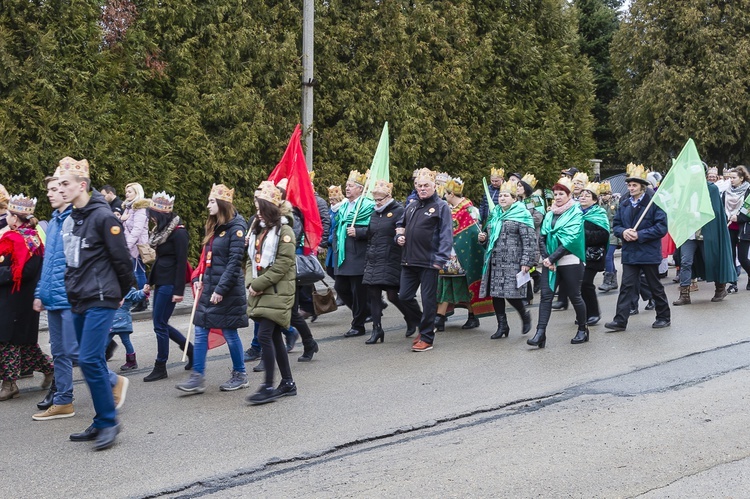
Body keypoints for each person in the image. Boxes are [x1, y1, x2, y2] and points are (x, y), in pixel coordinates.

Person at [57, 158, 132, 451]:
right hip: (79, 297)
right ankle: (102, 420)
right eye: (59, 184)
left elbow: (122, 259)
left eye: (66, 184)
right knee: (89, 360)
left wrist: (121, 292)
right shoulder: (73, 217)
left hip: (102, 297)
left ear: (82, 185)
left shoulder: (103, 217)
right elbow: (73, 260)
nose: (61, 189)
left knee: (89, 359)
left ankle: (110, 422)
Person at [177, 184, 249, 394]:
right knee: (200, 331)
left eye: (211, 201)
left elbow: (234, 263)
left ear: (222, 204)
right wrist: (198, 277)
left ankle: (240, 373)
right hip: (209, 288)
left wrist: (220, 289)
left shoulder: (236, 229)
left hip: (226, 291)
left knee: (229, 332)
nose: (207, 205)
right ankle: (197, 377)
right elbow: (206, 259)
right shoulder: (214, 227)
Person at [32, 164, 79, 418]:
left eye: (56, 188)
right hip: (54, 299)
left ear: (66, 190)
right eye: (50, 189)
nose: (50, 193)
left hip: (70, 298)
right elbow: (48, 265)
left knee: (76, 352)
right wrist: (40, 293)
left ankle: (112, 383)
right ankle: (63, 401)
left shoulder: (74, 219)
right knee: (59, 352)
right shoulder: (53, 222)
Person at [245, 181, 298, 404]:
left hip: (277, 290)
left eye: (260, 207)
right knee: (274, 336)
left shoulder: (284, 232)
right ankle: (287, 382)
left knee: (265, 335)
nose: (256, 211)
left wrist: (258, 285)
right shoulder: (259, 230)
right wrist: (250, 281)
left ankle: (268, 385)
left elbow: (283, 265)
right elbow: (249, 261)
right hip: (262, 289)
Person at [0, 194, 54, 401]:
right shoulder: (33, 237)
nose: (6, 218)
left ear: (15, 218)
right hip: (20, 296)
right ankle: (49, 368)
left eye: (9, 215)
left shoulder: (18, 238)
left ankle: (9, 384)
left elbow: (21, 271)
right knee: (24, 342)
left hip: (15, 298)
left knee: (8, 340)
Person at [604, 166, 671, 332]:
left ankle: (663, 316)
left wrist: (640, 235)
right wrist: (624, 232)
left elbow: (661, 228)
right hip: (630, 252)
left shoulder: (654, 203)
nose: (631, 188)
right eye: (629, 185)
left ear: (642, 186)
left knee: (654, 285)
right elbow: (617, 225)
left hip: (648, 252)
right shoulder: (624, 202)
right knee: (626, 287)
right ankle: (620, 320)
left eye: (634, 185)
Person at [396, 168, 453, 352]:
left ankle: (427, 337)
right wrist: (398, 238)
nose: (422, 188)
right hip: (409, 261)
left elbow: (446, 234)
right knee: (403, 296)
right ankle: (424, 324)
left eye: (426, 185)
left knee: (429, 301)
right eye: (419, 186)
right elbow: (400, 225)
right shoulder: (411, 205)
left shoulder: (441, 206)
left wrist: (440, 259)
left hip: (429, 262)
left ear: (434, 186)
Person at [527, 177, 588, 348]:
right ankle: (540, 333)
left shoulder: (576, 212)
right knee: (546, 296)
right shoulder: (550, 213)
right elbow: (543, 237)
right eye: (555, 194)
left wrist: (551, 258)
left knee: (575, 296)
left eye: (562, 193)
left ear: (569, 195)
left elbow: (571, 240)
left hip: (570, 260)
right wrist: (547, 258)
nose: (558, 197)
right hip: (551, 262)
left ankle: (583, 329)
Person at [144, 192, 193, 381]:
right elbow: (161, 259)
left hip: (171, 283)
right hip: (162, 282)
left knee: (159, 324)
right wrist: (150, 281)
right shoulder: (162, 233)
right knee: (161, 323)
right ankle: (191, 350)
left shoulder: (179, 233)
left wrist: (180, 291)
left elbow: (181, 262)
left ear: (162, 215)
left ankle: (161, 365)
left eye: (153, 216)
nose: (151, 220)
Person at [478, 181, 537, 339]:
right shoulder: (495, 213)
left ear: (514, 198)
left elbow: (529, 240)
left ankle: (524, 315)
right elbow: (490, 237)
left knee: (511, 294)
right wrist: (483, 239)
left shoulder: (522, 214)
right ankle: (502, 326)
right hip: (495, 261)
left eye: (506, 196)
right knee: (496, 294)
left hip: (513, 261)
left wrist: (526, 261)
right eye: (501, 196)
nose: (502, 198)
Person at [435, 177, 491, 331]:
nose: (445, 196)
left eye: (446, 194)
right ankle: (439, 317)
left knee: (465, 287)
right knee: (447, 284)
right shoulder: (449, 208)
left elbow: (473, 233)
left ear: (452, 194)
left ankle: (472, 316)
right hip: (449, 254)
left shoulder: (469, 210)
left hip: (463, 255)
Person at [362, 179, 414, 344]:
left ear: (388, 196)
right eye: (375, 200)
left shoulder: (398, 211)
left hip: (391, 258)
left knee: (393, 295)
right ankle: (377, 329)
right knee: (373, 294)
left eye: (380, 199)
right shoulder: (374, 212)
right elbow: (371, 234)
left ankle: (411, 317)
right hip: (374, 258)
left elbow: (402, 232)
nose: (377, 203)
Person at [673, 180, 737, 305]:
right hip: (688, 233)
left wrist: (696, 215)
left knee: (712, 261)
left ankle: (720, 289)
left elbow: (715, 212)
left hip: (706, 232)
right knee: (685, 261)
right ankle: (684, 294)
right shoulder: (684, 188)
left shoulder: (711, 189)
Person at [333, 170, 374, 338]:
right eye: (347, 186)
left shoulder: (367, 206)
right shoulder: (343, 206)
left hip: (358, 254)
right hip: (343, 253)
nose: (347, 188)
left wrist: (359, 232)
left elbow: (374, 228)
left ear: (360, 189)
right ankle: (366, 311)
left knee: (359, 292)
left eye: (350, 186)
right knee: (340, 287)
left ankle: (358, 325)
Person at [578, 182, 610, 325]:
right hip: (577, 254)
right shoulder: (574, 212)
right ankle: (583, 313)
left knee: (586, 282)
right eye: (581, 195)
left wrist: (583, 235)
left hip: (592, 255)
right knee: (577, 284)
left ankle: (594, 312)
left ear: (595, 200)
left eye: (587, 195)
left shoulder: (599, 214)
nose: (583, 197)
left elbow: (603, 235)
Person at [120, 182, 150, 312]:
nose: (127, 194)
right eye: (126, 192)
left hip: (137, 246)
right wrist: (122, 219)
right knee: (134, 272)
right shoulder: (128, 208)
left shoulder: (140, 209)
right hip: (130, 244)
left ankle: (144, 299)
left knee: (139, 273)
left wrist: (127, 245)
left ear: (137, 193)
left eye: (130, 191)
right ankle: (139, 298)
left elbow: (137, 230)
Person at [723, 166, 750, 292]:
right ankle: (733, 283)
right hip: (729, 228)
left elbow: (748, 211)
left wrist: (739, 218)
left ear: (742, 178)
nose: (731, 180)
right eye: (730, 178)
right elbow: (723, 207)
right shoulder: (726, 191)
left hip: (743, 229)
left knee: (742, 258)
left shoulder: (748, 191)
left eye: (734, 178)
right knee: (731, 256)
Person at [110, 285, 150, 371]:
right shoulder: (110, 286)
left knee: (126, 341)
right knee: (104, 342)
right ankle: (98, 362)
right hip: (110, 321)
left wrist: (143, 292)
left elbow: (135, 295)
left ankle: (131, 361)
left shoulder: (127, 289)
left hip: (122, 320)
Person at [598, 181, 620, 292]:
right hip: (605, 233)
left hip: (613, 233)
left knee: (608, 256)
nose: (604, 196)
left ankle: (607, 279)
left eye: (605, 194)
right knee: (608, 257)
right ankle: (614, 281)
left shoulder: (616, 203)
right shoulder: (600, 204)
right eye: (601, 194)